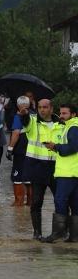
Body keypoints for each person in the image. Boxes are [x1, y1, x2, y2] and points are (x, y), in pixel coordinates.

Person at [19, 98, 63, 240]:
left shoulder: (61, 123)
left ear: (51, 108)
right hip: (37, 167)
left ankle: (60, 232)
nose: (42, 110)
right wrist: (24, 114)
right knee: (37, 201)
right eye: (39, 107)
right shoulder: (32, 121)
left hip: (57, 168)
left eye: (45, 107)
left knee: (60, 201)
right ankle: (37, 232)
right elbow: (25, 122)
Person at [42, 104, 78, 242]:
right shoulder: (72, 126)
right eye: (60, 113)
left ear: (73, 114)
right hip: (73, 171)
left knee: (60, 200)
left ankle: (58, 233)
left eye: (64, 113)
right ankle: (74, 236)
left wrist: (55, 146)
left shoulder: (73, 127)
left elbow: (73, 147)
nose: (61, 116)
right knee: (75, 203)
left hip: (68, 172)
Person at [6, 96, 31, 206]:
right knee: (29, 177)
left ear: (18, 105)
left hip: (20, 150)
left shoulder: (18, 117)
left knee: (17, 176)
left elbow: (16, 134)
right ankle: (30, 202)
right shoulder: (35, 115)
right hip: (33, 151)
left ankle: (18, 202)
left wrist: (10, 149)